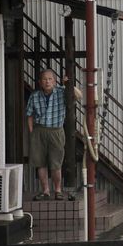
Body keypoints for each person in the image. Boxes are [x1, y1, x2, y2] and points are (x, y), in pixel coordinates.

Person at [26, 69, 81, 201]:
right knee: (40, 163)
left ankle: (58, 190)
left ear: (55, 81)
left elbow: (79, 96)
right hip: (39, 130)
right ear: (40, 82)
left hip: (56, 130)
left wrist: (69, 84)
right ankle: (45, 191)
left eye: (50, 79)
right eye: (44, 79)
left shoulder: (62, 92)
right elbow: (29, 115)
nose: (47, 81)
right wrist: (32, 131)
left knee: (56, 163)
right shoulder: (34, 96)